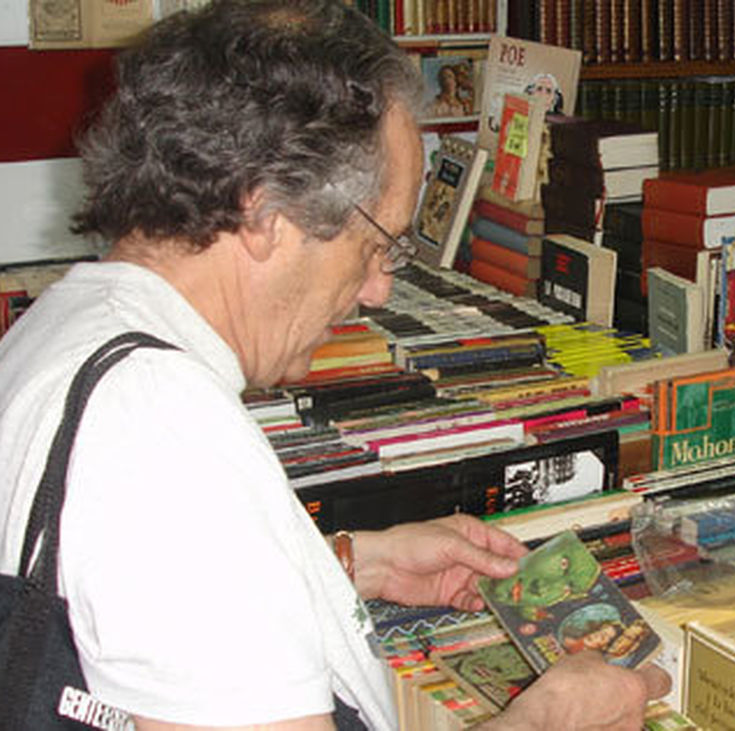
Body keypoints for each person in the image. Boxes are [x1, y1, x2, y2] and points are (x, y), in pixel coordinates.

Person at [0, 1, 669, 729]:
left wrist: (346, 563)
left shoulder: (70, 321)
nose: (380, 289)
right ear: (265, 219)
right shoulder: (167, 438)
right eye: (379, 243)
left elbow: (137, 593)